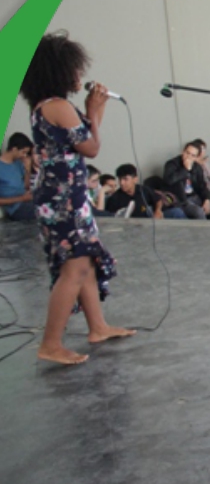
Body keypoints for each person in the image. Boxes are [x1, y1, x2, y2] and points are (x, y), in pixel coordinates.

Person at [18, 34, 137, 363]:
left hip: (65, 195)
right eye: (74, 69)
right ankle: (51, 343)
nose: (79, 76)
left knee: (84, 262)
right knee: (76, 265)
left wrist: (90, 113)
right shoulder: (58, 106)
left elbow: (83, 139)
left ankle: (97, 326)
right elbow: (92, 147)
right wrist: (94, 110)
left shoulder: (46, 106)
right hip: (62, 199)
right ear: (58, 70)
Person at [162, 141, 210, 220]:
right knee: (198, 212)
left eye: (193, 155)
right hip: (181, 200)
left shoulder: (197, 167)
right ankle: (204, 232)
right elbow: (169, 180)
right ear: (183, 151)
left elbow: (202, 186)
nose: (188, 157)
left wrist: (206, 199)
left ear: (196, 158)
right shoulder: (171, 164)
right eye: (187, 153)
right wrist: (185, 170)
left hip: (195, 197)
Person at [0, 132, 34, 221]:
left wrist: (28, 170)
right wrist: (22, 198)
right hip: (15, 208)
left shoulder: (17, 163)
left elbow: (26, 185)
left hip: (26, 201)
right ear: (14, 149)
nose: (24, 155)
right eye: (23, 152)